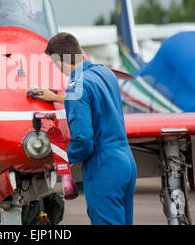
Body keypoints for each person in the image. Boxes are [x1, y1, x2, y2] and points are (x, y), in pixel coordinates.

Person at [37, 32, 137, 225]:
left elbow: (83, 138)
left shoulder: (77, 86)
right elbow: (92, 98)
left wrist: (66, 160)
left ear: (61, 61)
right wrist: (57, 97)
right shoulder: (104, 73)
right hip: (126, 161)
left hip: (104, 166)